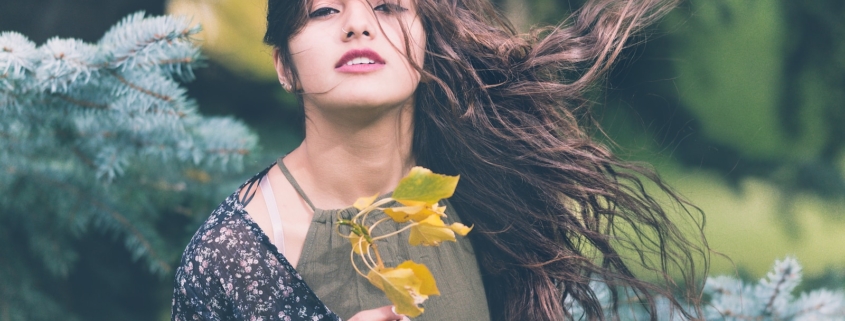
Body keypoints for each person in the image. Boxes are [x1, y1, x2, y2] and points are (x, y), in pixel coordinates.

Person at [171, 0, 709, 320]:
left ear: (424, 38)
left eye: (387, 6)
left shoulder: (482, 196)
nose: (358, 24)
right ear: (283, 65)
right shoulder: (233, 254)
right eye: (325, 10)